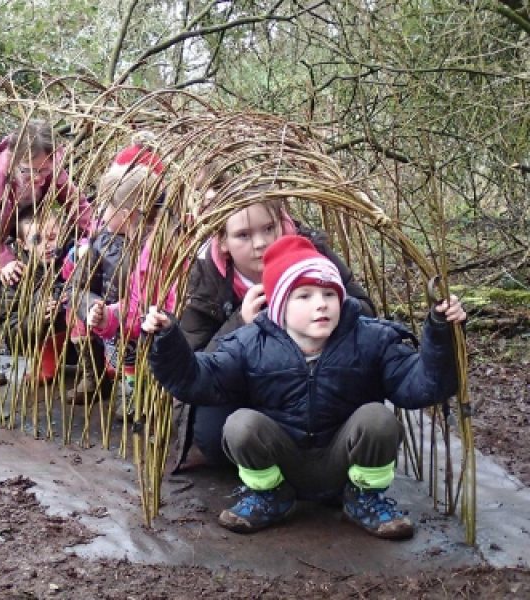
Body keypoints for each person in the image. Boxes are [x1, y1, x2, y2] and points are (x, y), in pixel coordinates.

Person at [143, 234, 467, 539]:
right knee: (241, 424)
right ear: (280, 305)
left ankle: (364, 498)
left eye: (329, 294)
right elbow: (199, 380)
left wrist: (441, 335)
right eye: (305, 296)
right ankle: (269, 495)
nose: (321, 304)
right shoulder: (251, 343)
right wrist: (168, 340)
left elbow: (421, 385)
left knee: (377, 419)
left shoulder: (371, 339)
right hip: (285, 463)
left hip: (344, 461)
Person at [176, 195, 376, 469]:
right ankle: (267, 472)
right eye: (243, 235)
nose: (260, 243)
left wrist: (321, 306)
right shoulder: (207, 277)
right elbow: (194, 363)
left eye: (269, 228)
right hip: (246, 385)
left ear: (283, 224)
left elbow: (366, 312)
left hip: (316, 379)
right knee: (213, 438)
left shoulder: (314, 255)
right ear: (222, 242)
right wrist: (241, 322)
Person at [0, 119, 91, 387]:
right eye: (30, 171)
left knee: (47, 282)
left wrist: (95, 238)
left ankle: (54, 354)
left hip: (26, 227)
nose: (39, 178)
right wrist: (3, 259)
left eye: (44, 170)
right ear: (16, 161)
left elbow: (78, 206)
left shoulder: (51, 166)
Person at [66, 165, 157, 405]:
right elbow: (77, 287)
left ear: (125, 214)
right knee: (125, 359)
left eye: (106, 207)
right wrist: (93, 306)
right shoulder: (101, 243)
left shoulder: (160, 245)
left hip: (149, 323)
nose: (100, 213)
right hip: (115, 322)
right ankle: (130, 394)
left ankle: (150, 395)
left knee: (146, 359)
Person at [2, 207, 73, 383]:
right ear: (22, 244)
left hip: (78, 345)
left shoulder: (75, 258)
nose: (47, 245)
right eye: (37, 240)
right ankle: (46, 359)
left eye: (52, 237)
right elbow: (10, 336)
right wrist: (37, 317)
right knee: (43, 295)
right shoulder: (17, 275)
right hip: (40, 345)